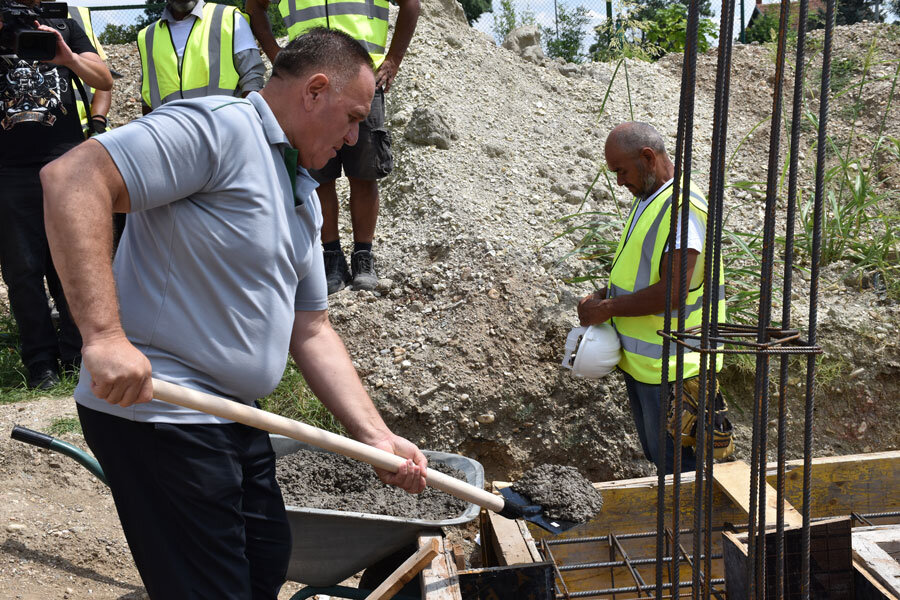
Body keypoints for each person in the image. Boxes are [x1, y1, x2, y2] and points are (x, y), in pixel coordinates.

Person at [41, 28, 426, 599]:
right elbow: (73, 177)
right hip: (161, 415)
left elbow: (312, 328)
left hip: (233, 417)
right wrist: (103, 336)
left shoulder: (296, 191)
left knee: (264, 567)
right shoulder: (219, 128)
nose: (353, 138)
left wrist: (376, 437)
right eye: (351, 118)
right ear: (314, 90)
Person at [577, 122, 726, 475]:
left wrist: (606, 310)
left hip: (676, 366)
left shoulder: (681, 208)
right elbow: (640, 271)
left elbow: (673, 291)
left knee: (681, 468)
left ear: (647, 157)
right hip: (650, 364)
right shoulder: (651, 200)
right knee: (663, 460)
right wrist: (601, 295)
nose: (619, 181)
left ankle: (696, 530)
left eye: (621, 171)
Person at [246, 0, 420, 294]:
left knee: (364, 172)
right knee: (317, 175)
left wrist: (393, 60)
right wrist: (280, 57)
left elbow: (411, 5)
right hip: (312, 87)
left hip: (362, 83)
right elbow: (255, 7)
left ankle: (364, 255)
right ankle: (331, 256)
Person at [0, 0, 113, 389]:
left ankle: (77, 354)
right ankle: (40, 364)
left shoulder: (62, 22)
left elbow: (104, 79)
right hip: (8, 169)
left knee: (73, 262)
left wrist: (66, 57)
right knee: (23, 270)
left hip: (65, 162)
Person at [137, 0, 265, 114]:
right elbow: (148, 100)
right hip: (172, 138)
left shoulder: (229, 18)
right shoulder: (148, 37)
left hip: (224, 133)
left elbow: (252, 81)